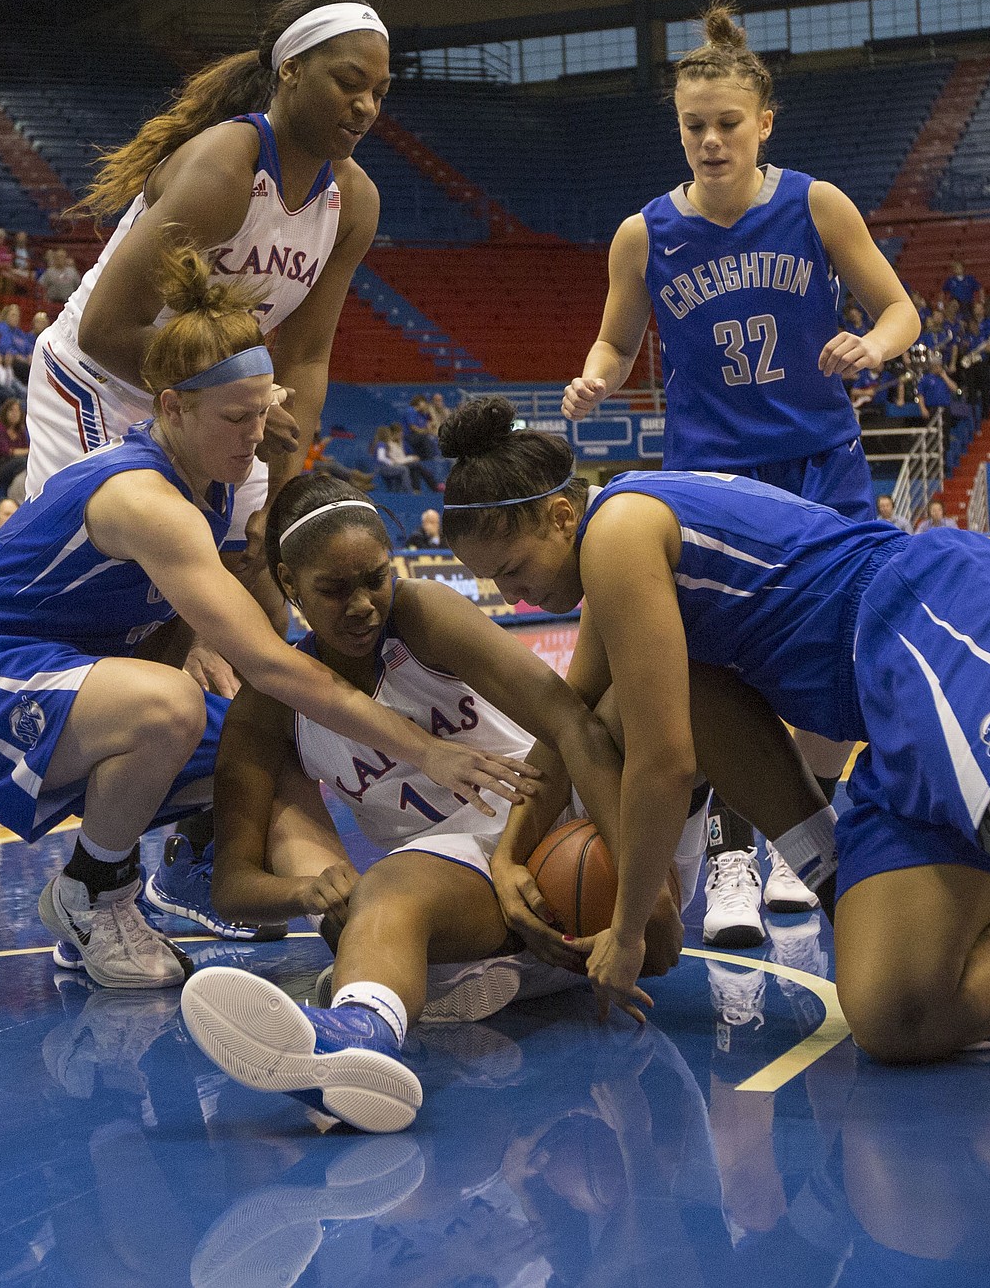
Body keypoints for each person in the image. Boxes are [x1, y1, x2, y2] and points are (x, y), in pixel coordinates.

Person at [0, 251, 534, 992]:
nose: (254, 435)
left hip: (58, 679)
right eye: (236, 418)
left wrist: (195, 639)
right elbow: (270, 662)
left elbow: (205, 637)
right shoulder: (147, 498)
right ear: (172, 408)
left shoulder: (213, 485)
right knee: (172, 706)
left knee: (266, 748)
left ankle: (356, 920)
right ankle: (94, 893)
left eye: (264, 413)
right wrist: (427, 749)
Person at [438, 396, 990, 1064]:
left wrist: (626, 931)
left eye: (511, 570)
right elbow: (570, 726)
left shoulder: (618, 530)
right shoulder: (610, 555)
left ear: (562, 517)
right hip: (883, 712)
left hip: (927, 617)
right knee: (892, 1013)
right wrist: (507, 853)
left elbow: (664, 764)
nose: (514, 598)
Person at [561, 0, 920, 946]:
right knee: (715, 677)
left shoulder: (816, 205)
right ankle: (729, 860)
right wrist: (596, 378)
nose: (711, 140)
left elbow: (900, 309)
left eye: (728, 124)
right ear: (678, 129)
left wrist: (872, 345)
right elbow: (615, 337)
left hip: (820, 468)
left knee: (838, 663)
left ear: (765, 124)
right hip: (709, 482)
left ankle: (817, 839)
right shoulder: (643, 235)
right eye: (693, 126)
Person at [178, 472, 691, 1131]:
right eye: (335, 590)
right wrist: (306, 892)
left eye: (376, 578)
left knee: (639, 703)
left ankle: (393, 1003)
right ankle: (359, 1040)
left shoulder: (419, 614)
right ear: (289, 582)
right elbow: (231, 887)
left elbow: (575, 726)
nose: (364, 604)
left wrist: (641, 898)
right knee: (378, 896)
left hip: (561, 817)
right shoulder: (266, 709)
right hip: (457, 876)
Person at [24, 0, 389, 579]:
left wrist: (279, 493)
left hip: (219, 402)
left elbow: (306, 357)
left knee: (260, 581)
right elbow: (106, 330)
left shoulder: (355, 202)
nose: (366, 106)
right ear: (291, 69)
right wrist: (234, 399)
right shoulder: (224, 169)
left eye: (378, 92)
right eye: (349, 83)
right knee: (123, 581)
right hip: (102, 382)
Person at [0, 397, 30, 497]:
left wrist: (26, 452)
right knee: (22, 461)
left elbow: (24, 450)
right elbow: (6, 452)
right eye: (11, 410)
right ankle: (15, 495)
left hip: (12, 464)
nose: (15, 414)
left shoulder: (20, 431)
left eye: (17, 411)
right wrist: (27, 451)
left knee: (28, 462)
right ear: (5, 412)